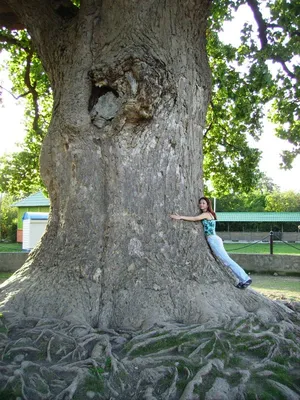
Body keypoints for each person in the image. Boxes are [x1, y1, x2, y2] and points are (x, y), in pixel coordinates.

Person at [170, 196, 252, 289]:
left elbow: (194, 218)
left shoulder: (206, 214)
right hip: (215, 239)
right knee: (226, 260)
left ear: (208, 205)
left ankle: (245, 279)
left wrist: (180, 217)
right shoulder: (210, 214)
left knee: (227, 261)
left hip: (213, 239)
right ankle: (243, 279)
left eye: (203, 203)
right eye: (200, 203)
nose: (201, 205)